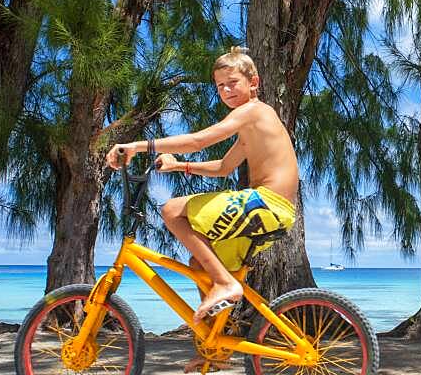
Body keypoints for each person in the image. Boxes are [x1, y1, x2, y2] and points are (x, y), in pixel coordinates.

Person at [105, 47, 299, 328]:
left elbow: (198, 141)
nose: (227, 90)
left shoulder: (253, 111)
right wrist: (179, 166)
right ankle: (214, 342)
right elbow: (223, 167)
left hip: (267, 203)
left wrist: (137, 146)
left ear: (253, 82)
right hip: (270, 212)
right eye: (221, 86)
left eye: (233, 82)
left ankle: (224, 283)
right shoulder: (251, 125)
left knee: (172, 210)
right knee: (198, 265)